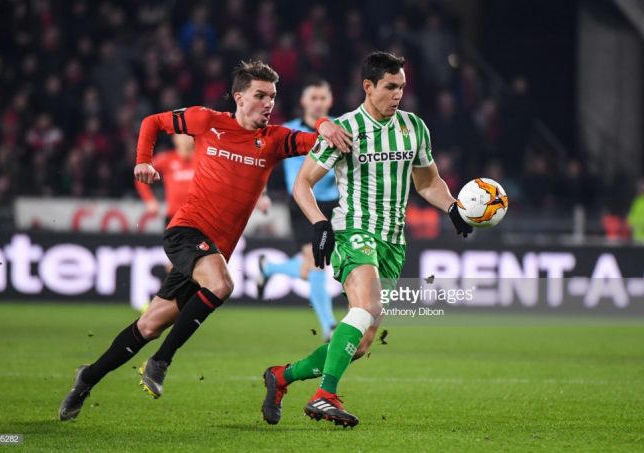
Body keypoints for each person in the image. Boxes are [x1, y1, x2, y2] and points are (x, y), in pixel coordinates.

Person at [59, 60, 352, 421]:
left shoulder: (275, 140)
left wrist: (323, 123)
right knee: (221, 283)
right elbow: (152, 122)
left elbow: (324, 143)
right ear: (239, 97)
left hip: (212, 251)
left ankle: (87, 378)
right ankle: (161, 361)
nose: (268, 103)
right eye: (260, 95)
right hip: (186, 231)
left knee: (149, 325)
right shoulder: (207, 121)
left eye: (272, 97)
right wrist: (143, 161)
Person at [260, 51, 472, 428]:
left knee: (360, 343)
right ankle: (324, 395)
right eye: (390, 87)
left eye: (402, 87)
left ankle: (281, 376)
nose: (398, 94)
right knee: (368, 305)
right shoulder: (344, 129)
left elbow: (427, 183)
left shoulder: (414, 127)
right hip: (354, 231)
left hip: (393, 242)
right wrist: (320, 223)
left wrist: (453, 207)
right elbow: (302, 183)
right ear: (368, 87)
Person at [256, 79, 338, 341]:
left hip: (335, 204)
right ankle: (329, 326)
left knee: (312, 268)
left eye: (322, 98)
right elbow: (263, 161)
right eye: (313, 97)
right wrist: (261, 193)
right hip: (302, 203)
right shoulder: (288, 131)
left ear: (330, 101)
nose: (318, 103)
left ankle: (270, 269)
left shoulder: (340, 128)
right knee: (317, 264)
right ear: (303, 101)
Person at [135, 134, 196, 227]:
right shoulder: (166, 159)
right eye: (181, 135)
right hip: (174, 217)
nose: (185, 139)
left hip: (199, 218)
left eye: (188, 135)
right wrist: (149, 200)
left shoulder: (204, 160)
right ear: (175, 138)